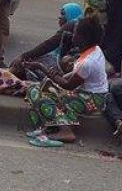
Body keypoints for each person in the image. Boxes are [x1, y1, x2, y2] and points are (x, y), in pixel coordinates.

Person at [24, 16, 108, 147]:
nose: (72, 35)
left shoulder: (88, 62)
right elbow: (71, 77)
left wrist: (43, 69)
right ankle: (50, 127)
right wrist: (53, 76)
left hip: (93, 99)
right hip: (87, 94)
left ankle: (65, 131)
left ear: (83, 38)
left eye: (75, 32)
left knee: (43, 97)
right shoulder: (94, 50)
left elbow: (67, 86)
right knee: (35, 89)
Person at [9, 2, 83, 79]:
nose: (60, 17)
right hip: (58, 65)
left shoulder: (71, 28)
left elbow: (48, 45)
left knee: (20, 67)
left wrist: (23, 57)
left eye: (63, 15)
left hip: (60, 70)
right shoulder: (75, 30)